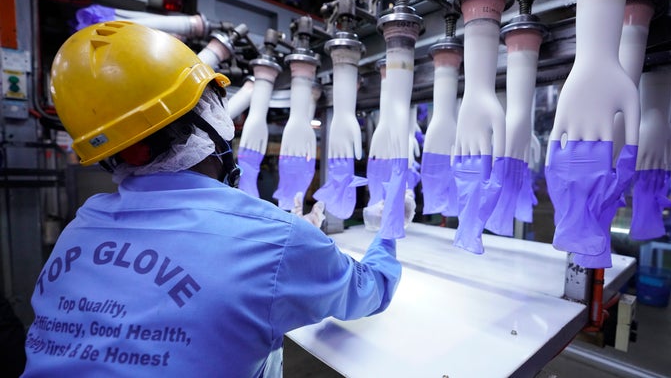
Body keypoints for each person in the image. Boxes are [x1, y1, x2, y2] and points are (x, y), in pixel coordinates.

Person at [21, 21, 401, 378]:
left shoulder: (78, 229)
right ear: (209, 120)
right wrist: (386, 231)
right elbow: (370, 290)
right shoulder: (272, 239)